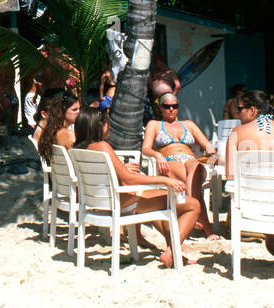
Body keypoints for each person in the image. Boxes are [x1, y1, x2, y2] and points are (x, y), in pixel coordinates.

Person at [74, 108, 202, 267]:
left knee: (161, 203)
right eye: (107, 123)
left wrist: (123, 167)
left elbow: (106, 173)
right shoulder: (102, 146)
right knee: (193, 205)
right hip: (124, 202)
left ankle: (175, 254)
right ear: (97, 126)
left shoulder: (80, 149)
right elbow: (129, 179)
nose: (109, 126)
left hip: (104, 202)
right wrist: (164, 180)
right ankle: (170, 254)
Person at [226, 89, 274, 261]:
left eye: (240, 109)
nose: (237, 114)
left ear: (253, 110)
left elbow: (230, 176)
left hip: (255, 205)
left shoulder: (236, 134)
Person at [143, 92, 219, 238]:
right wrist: (158, 155)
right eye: (167, 106)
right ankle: (207, 229)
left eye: (174, 106)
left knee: (195, 168)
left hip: (191, 159)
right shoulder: (154, 125)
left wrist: (209, 163)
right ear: (160, 108)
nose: (171, 109)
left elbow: (210, 148)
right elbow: (145, 148)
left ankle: (190, 208)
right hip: (169, 160)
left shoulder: (189, 124)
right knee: (193, 181)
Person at [35, 93, 80, 166]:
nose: (79, 112)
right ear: (62, 111)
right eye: (74, 110)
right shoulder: (68, 134)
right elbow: (78, 162)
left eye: (79, 109)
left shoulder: (49, 131)